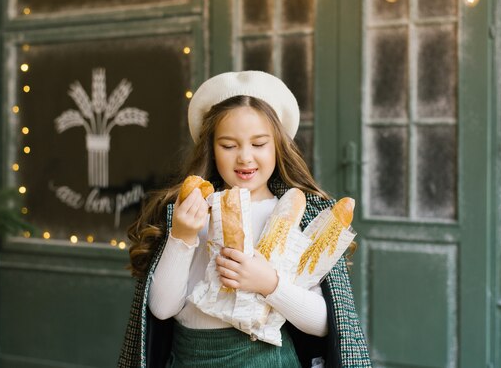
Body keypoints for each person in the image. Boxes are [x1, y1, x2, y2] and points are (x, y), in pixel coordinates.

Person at [118, 71, 372, 367]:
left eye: (259, 143)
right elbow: (162, 309)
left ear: (278, 146)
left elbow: (324, 323)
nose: (245, 157)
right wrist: (182, 236)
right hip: (190, 358)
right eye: (229, 145)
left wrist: (269, 284)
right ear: (211, 149)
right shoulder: (194, 210)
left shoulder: (300, 217)